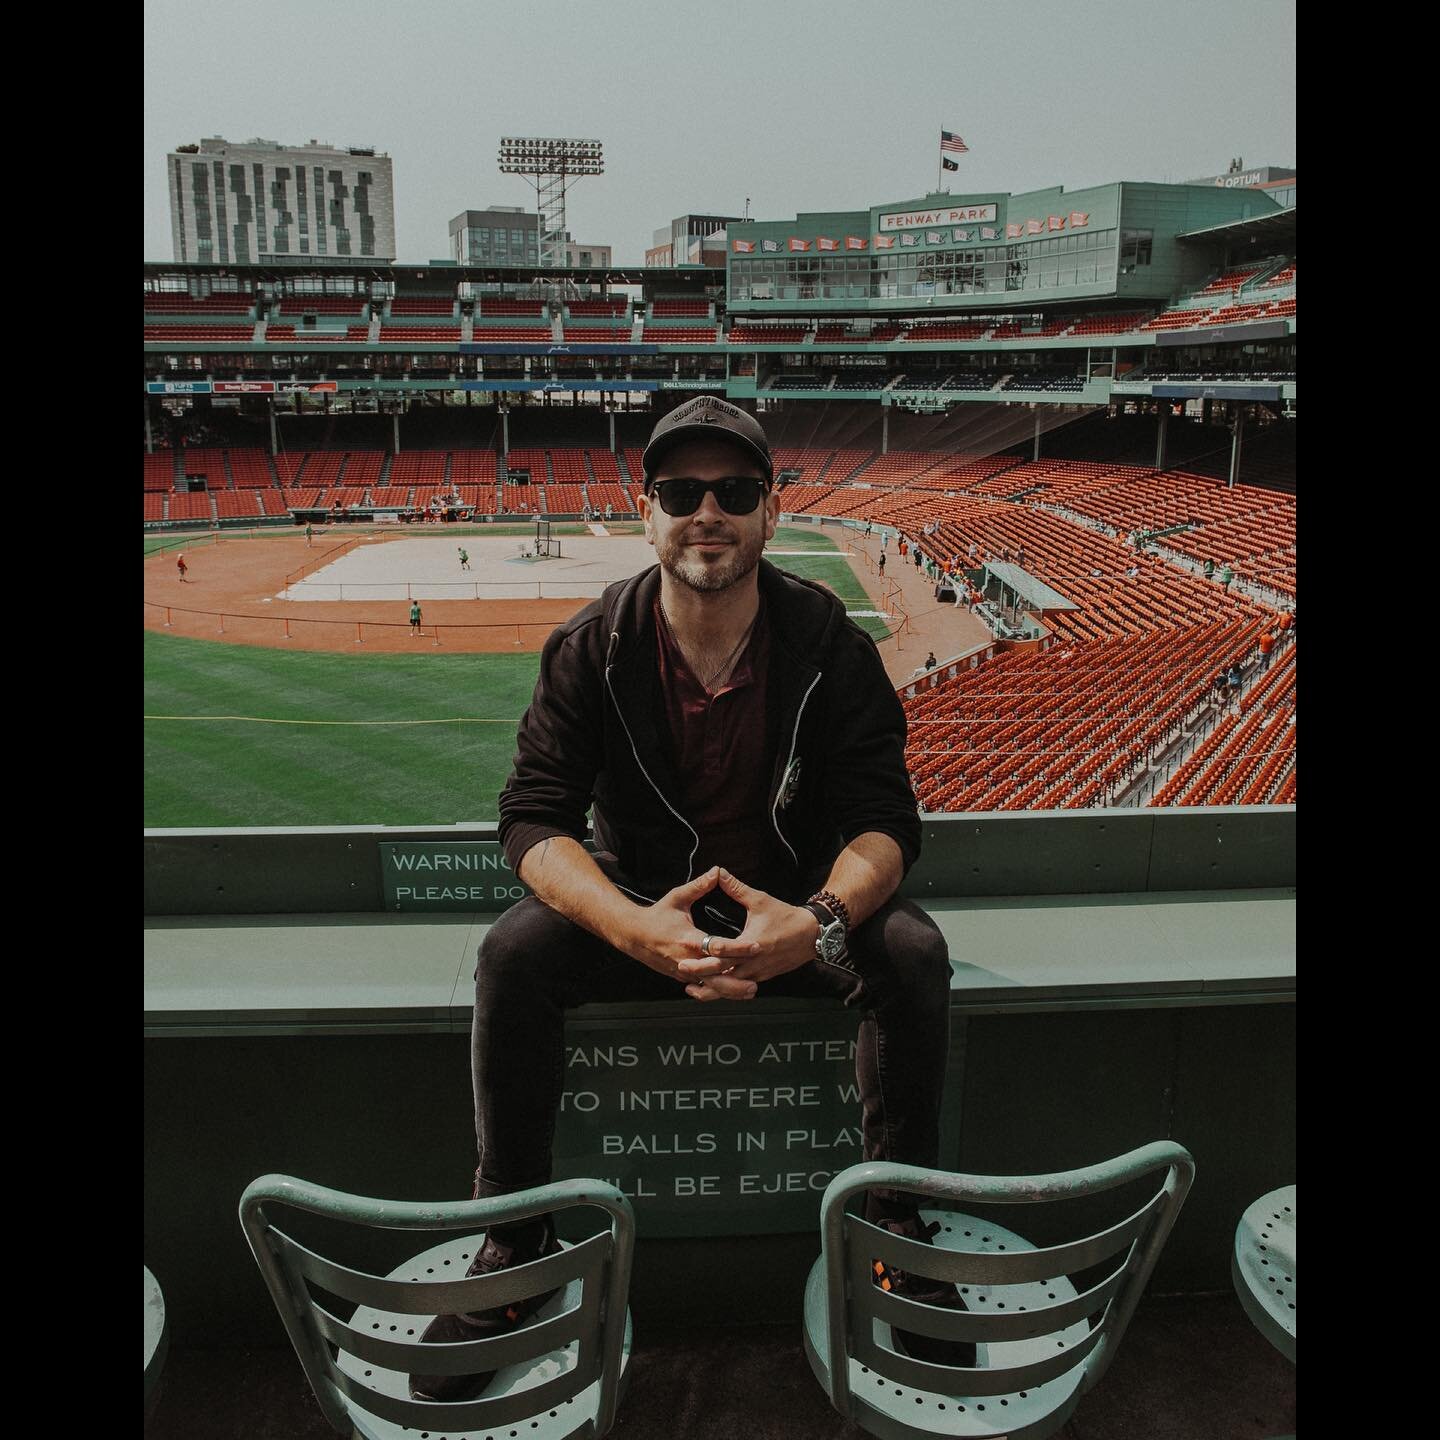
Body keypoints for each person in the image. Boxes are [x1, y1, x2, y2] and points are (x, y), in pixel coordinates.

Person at [409, 394, 963, 1403]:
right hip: (641, 915)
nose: (707, 511)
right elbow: (532, 820)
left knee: (913, 955)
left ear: (770, 511)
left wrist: (819, 922)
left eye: (735, 490)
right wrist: (634, 927)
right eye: (680, 491)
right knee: (512, 958)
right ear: (645, 511)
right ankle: (514, 1244)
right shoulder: (593, 645)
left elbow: (888, 821)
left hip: (794, 916)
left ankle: (895, 1223)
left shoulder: (828, 642)